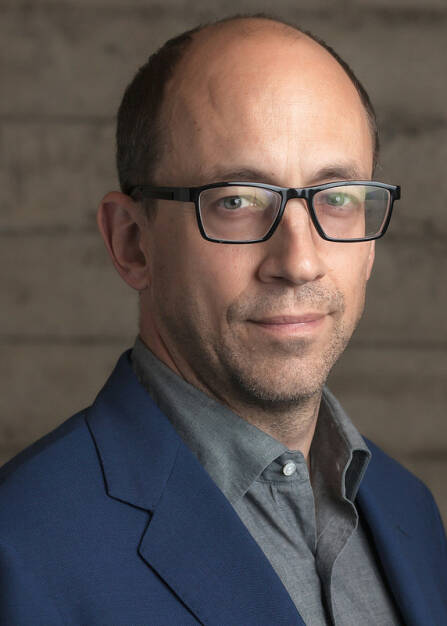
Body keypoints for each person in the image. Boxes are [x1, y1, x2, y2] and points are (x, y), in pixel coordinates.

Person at [0, 14, 445, 625]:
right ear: (132, 243)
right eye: (237, 200)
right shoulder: (21, 549)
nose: (299, 262)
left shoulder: (410, 512)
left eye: (337, 198)